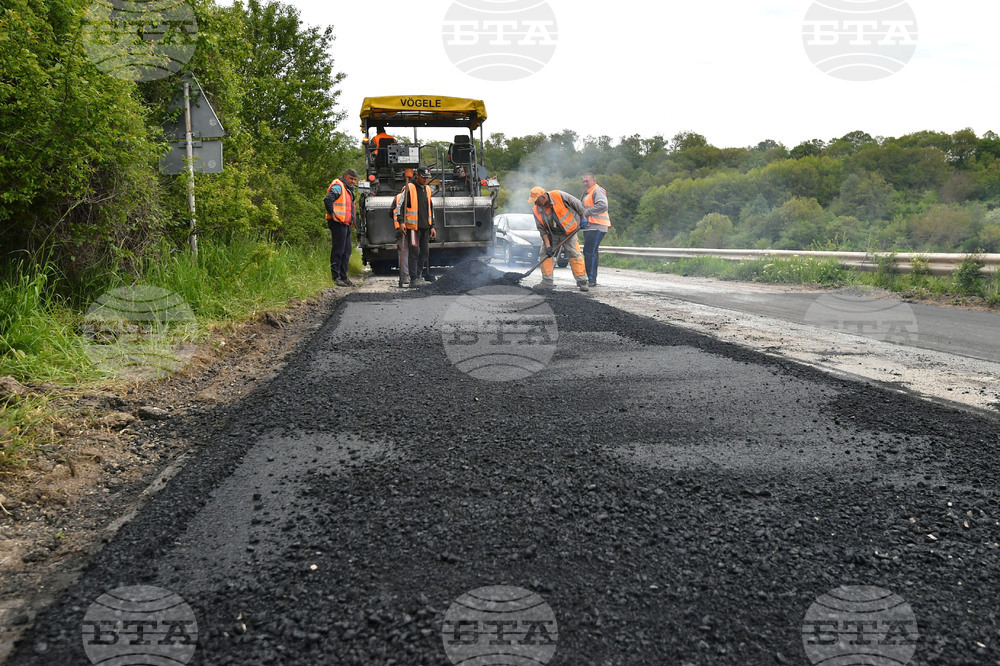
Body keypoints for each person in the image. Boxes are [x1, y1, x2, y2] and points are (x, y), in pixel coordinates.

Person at [527, 186, 590, 292]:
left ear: (543, 196)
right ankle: (547, 282)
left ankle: (582, 282)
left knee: (574, 254)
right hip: (552, 235)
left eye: (536, 200)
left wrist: (583, 217)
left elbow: (577, 204)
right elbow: (542, 230)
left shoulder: (559, 195)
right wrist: (547, 246)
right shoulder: (536, 210)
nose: (535, 203)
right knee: (544, 254)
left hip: (569, 232)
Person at [395, 166, 437, 286]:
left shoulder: (427, 189)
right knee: (414, 252)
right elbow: (400, 206)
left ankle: (419, 276)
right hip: (413, 227)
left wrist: (432, 225)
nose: (425, 180)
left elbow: (430, 208)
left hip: (425, 227)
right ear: (417, 175)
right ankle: (413, 279)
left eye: (427, 178)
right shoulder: (410, 188)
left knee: (424, 252)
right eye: (423, 177)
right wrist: (401, 222)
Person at [324, 168, 358, 287]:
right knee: (338, 250)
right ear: (345, 176)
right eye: (351, 178)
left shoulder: (348, 189)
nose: (353, 181)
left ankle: (344, 277)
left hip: (346, 224)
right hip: (338, 223)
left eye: (354, 179)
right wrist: (332, 215)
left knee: (347, 251)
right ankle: (336, 277)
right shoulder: (338, 186)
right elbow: (328, 200)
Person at [581, 172, 611, 287]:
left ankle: (591, 279)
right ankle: (590, 278)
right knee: (588, 251)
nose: (585, 183)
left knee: (591, 252)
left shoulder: (597, 190)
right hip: (590, 226)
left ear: (594, 180)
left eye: (587, 181)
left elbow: (603, 205)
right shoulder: (587, 193)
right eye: (583, 181)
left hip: (598, 225)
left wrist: (586, 213)